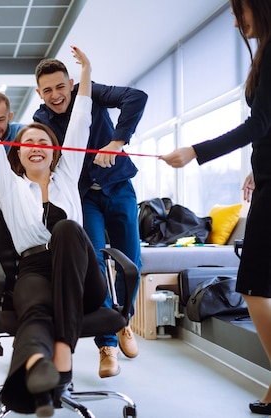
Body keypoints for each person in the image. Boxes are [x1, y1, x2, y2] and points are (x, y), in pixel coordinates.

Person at [0, 47, 103, 417]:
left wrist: (85, 73)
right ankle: (37, 370)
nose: (36, 146)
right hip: (34, 269)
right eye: (27, 143)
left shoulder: (68, 173)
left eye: (44, 142)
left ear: (57, 152)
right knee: (35, 311)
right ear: (17, 155)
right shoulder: (9, 186)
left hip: (82, 272)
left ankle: (62, 355)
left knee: (69, 229)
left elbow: (81, 120)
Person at [160, 1, 271, 414]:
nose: (235, 20)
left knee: (254, 287)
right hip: (267, 181)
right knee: (258, 288)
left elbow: (258, 124)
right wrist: (256, 170)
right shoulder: (265, 52)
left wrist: (194, 151)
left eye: (239, 9)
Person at [32, 55, 147, 378]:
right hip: (84, 198)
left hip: (118, 185)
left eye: (60, 87)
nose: (55, 95)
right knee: (94, 265)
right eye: (47, 90)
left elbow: (135, 97)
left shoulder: (90, 92)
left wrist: (116, 142)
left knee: (132, 263)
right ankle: (107, 345)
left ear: (71, 84)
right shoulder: (41, 120)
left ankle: (124, 320)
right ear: (39, 94)